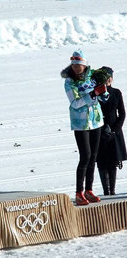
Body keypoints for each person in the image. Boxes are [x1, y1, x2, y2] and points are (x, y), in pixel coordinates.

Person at [61, 50, 109, 205]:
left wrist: (103, 91)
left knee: (93, 156)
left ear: (84, 65)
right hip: (80, 123)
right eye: (74, 65)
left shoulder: (93, 77)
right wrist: (93, 94)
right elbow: (75, 103)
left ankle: (89, 190)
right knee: (85, 156)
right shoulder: (70, 81)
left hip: (95, 121)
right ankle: (78, 192)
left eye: (79, 65)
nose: (76, 67)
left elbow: (104, 97)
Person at [97, 67, 127, 195]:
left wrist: (115, 130)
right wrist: (102, 130)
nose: (108, 80)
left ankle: (112, 191)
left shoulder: (116, 92)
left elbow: (122, 113)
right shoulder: (95, 93)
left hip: (114, 131)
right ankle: (106, 191)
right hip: (99, 131)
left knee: (113, 161)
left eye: (109, 77)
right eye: (105, 78)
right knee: (102, 161)